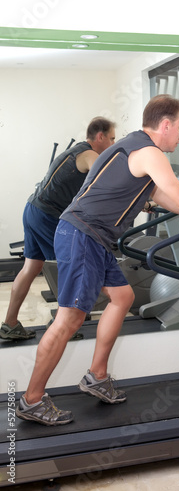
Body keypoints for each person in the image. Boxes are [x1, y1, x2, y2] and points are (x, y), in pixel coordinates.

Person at [16, 94, 179, 426]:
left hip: (90, 235)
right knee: (69, 320)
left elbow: (161, 195)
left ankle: (97, 375)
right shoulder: (149, 152)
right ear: (164, 125)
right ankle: (31, 400)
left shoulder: (133, 147)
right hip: (82, 235)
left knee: (123, 296)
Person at [0, 117, 116, 341]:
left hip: (32, 208)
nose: (112, 143)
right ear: (100, 137)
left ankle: (10, 324)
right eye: (111, 138)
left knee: (31, 267)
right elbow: (102, 182)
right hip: (48, 215)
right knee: (69, 266)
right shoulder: (90, 154)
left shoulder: (75, 151)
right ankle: (61, 325)